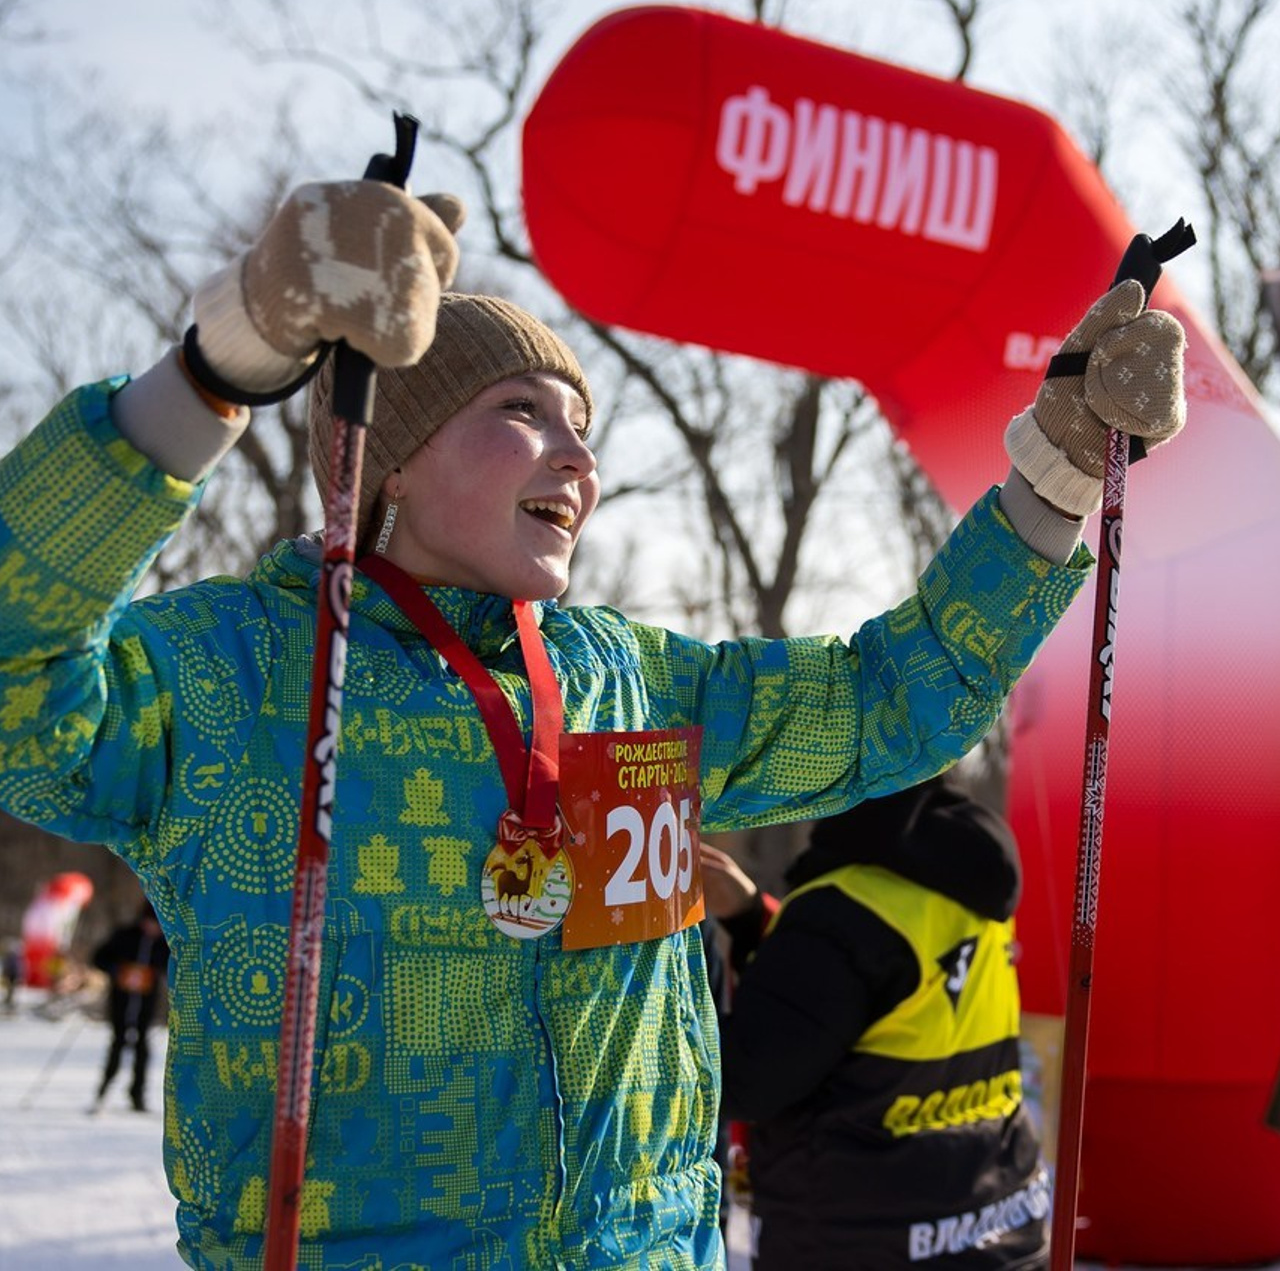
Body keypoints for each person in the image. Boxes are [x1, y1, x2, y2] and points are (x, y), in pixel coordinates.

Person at [0, 168, 1184, 1269]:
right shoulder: (235, 673)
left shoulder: (628, 679)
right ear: (391, 463)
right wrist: (227, 358)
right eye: (524, 411)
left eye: (585, 428)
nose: (579, 458)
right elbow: (16, 691)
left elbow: (891, 697)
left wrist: (1057, 477)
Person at [702, 776, 1048, 1269]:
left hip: (860, 1237)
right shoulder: (968, 879)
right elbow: (867, 1004)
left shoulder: (839, 912)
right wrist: (753, 917)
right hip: (997, 1223)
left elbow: (744, 1081)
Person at [90, 899, 170, 1113]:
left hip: (146, 1004)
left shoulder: (163, 943)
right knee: (118, 1043)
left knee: (142, 1048)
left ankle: (137, 1095)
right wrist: (117, 970)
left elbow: (169, 966)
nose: (153, 929)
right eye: (150, 923)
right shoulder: (125, 936)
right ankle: (103, 1090)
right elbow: (99, 958)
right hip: (121, 1001)